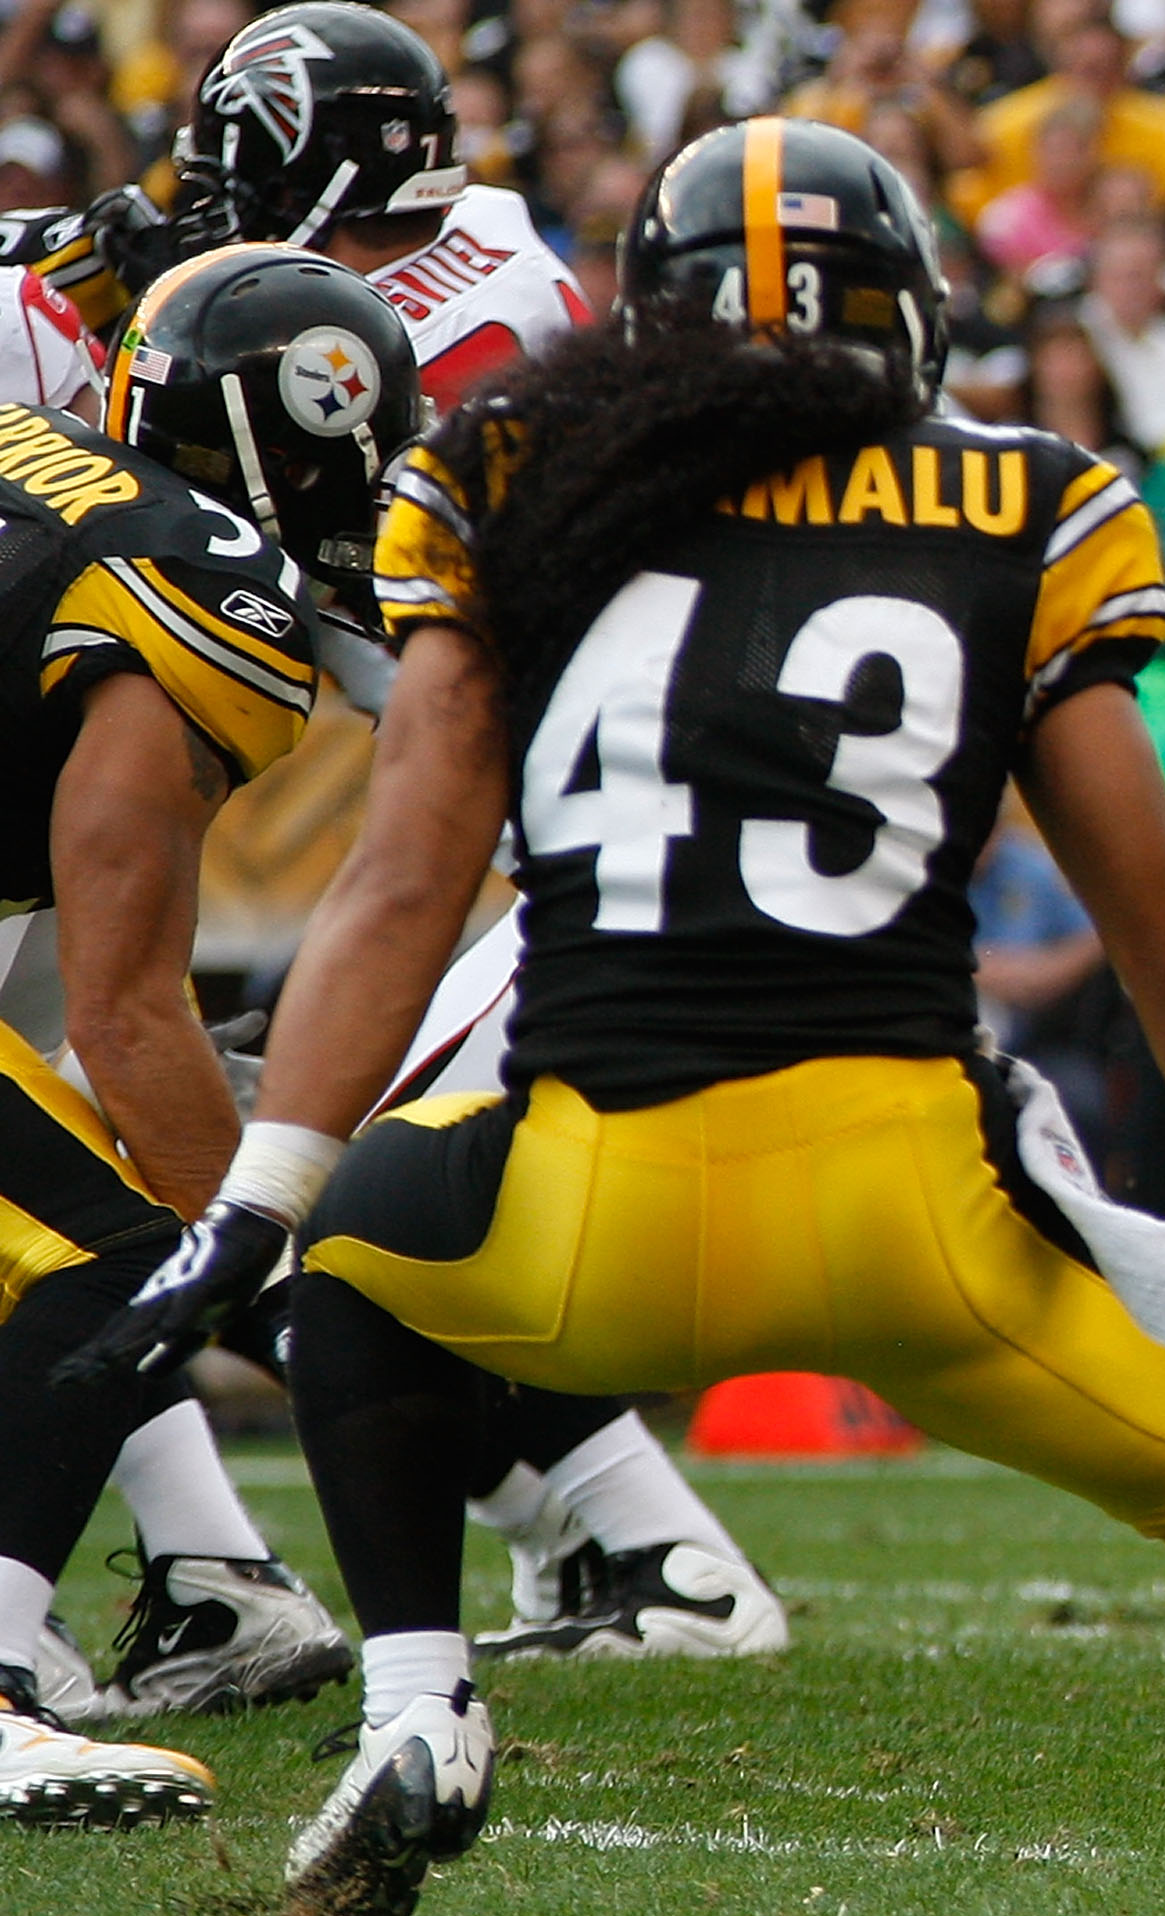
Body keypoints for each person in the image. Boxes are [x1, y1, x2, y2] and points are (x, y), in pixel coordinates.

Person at [80, 120, 1165, 1916]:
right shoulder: (1026, 499)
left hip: (594, 1198)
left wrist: (263, 1201)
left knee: (370, 1256)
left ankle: (417, 1704)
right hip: (920, 1211)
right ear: (909, 313)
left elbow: (396, 894)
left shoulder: (499, 471)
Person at [21, 1, 788, 1675]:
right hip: (588, 814)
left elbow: (271, 503)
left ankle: (631, 1548)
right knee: (190, 1159)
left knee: (241, 1173)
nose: (199, 208)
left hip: (626, 835)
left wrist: (85, 298)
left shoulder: (414, 328)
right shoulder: (445, 262)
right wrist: (75, 259)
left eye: (232, 177)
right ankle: (251, 1560)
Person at [0, 244, 424, 1824]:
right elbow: (125, 1009)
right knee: (117, 1254)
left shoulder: (37, 458)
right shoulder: (202, 584)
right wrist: (272, 1271)